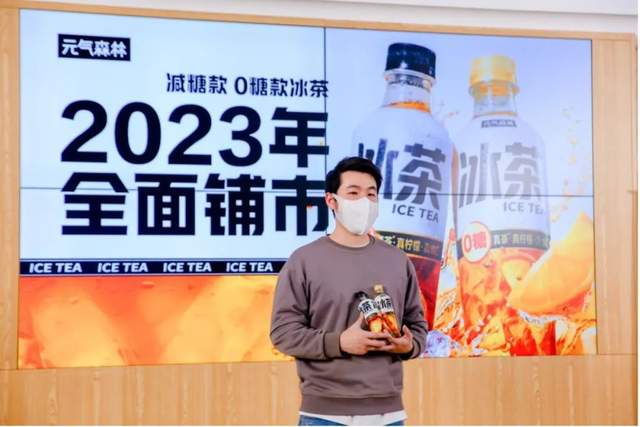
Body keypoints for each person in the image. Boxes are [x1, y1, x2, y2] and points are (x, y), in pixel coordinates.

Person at [270, 156, 428, 426]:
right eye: (353, 193)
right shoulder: (304, 261)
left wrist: (408, 345)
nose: (364, 202)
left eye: (371, 194)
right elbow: (283, 333)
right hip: (324, 415)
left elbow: (418, 326)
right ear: (331, 200)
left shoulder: (397, 260)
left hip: (390, 414)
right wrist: (340, 342)